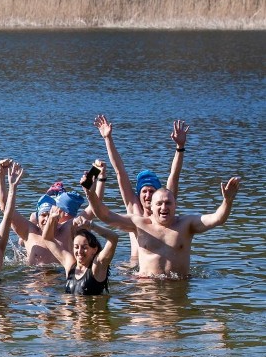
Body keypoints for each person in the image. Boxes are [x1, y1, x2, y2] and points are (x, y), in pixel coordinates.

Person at [85, 173, 241, 278]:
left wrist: (227, 201)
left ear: (175, 205)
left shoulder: (187, 224)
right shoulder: (139, 224)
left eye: (168, 203)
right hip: (146, 287)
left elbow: (218, 218)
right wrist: (90, 194)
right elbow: (104, 215)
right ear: (151, 207)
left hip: (178, 285)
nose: (164, 207)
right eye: (159, 203)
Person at [95, 114, 187, 261]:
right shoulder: (134, 209)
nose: (148, 195)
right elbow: (120, 171)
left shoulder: (165, 209)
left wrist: (180, 148)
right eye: (144, 191)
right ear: (138, 194)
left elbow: (174, 175)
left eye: (152, 191)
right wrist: (108, 138)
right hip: (135, 267)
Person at [0, 159, 104, 266]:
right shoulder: (29, 232)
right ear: (38, 217)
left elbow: (94, 208)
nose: (46, 219)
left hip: (60, 278)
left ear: (58, 216)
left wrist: (97, 172)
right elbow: (5, 207)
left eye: (50, 215)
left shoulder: (67, 229)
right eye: (43, 215)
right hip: (33, 278)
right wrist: (0, 174)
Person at [40, 202, 118, 295]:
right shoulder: (70, 265)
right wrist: (52, 218)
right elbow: (47, 239)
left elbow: (114, 238)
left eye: (84, 247)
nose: (79, 251)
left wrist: (91, 225)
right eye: (76, 247)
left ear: (94, 249)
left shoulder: (97, 266)